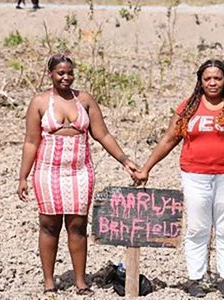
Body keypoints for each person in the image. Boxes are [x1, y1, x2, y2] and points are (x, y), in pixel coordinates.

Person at [133, 59, 224, 298]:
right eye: (208, 79)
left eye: (218, 78)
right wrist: (147, 168)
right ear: (200, 82)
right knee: (198, 227)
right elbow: (170, 139)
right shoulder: (188, 107)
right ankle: (195, 278)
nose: (213, 83)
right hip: (195, 175)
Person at [17, 54, 138, 296]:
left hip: (79, 172)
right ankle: (49, 281)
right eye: (60, 73)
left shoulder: (84, 100)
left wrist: (124, 160)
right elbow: (31, 141)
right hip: (48, 171)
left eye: (69, 73)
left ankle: (81, 281)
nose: (66, 77)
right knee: (50, 225)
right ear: (51, 74)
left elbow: (102, 135)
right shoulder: (40, 102)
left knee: (78, 225)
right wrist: (23, 176)